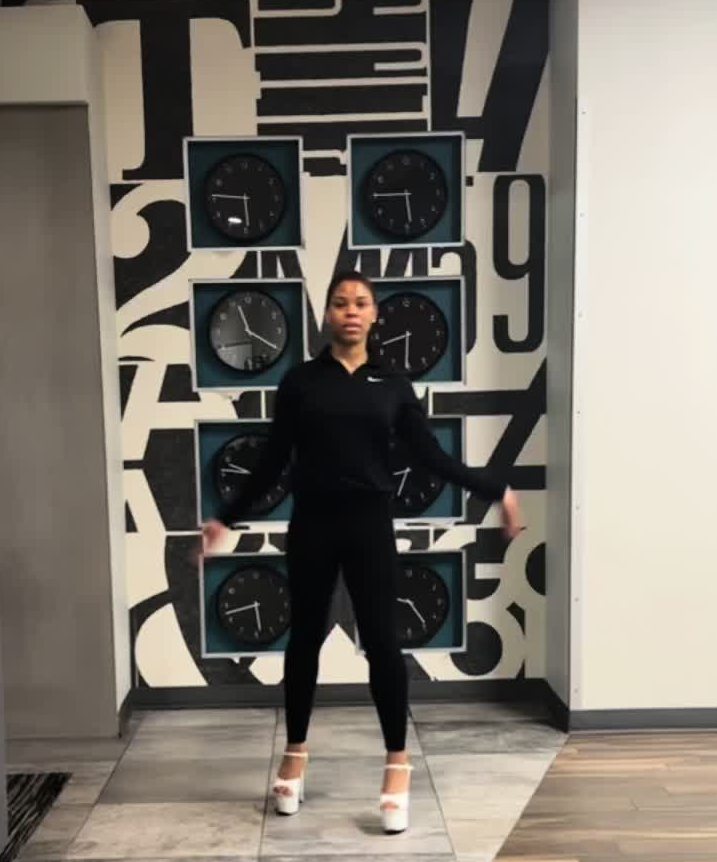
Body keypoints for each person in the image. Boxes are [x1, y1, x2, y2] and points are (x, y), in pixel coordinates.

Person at [199, 274, 525, 833]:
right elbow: (273, 461)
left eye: (361, 303)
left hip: (370, 525)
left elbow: (431, 458)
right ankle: (295, 754)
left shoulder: (393, 385)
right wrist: (225, 518)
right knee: (304, 640)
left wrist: (498, 490)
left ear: (374, 315)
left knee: (382, 642)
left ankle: (397, 762)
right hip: (312, 525)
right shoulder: (300, 382)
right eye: (340, 303)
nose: (351, 311)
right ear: (327, 315)